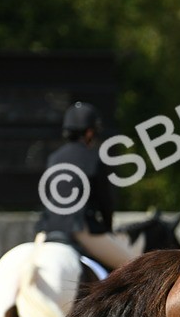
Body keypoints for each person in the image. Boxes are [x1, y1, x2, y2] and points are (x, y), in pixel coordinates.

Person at [34, 101, 140, 270]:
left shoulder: (53, 158)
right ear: (89, 132)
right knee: (135, 268)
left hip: (48, 228)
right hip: (80, 229)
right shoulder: (94, 158)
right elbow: (105, 201)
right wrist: (107, 228)